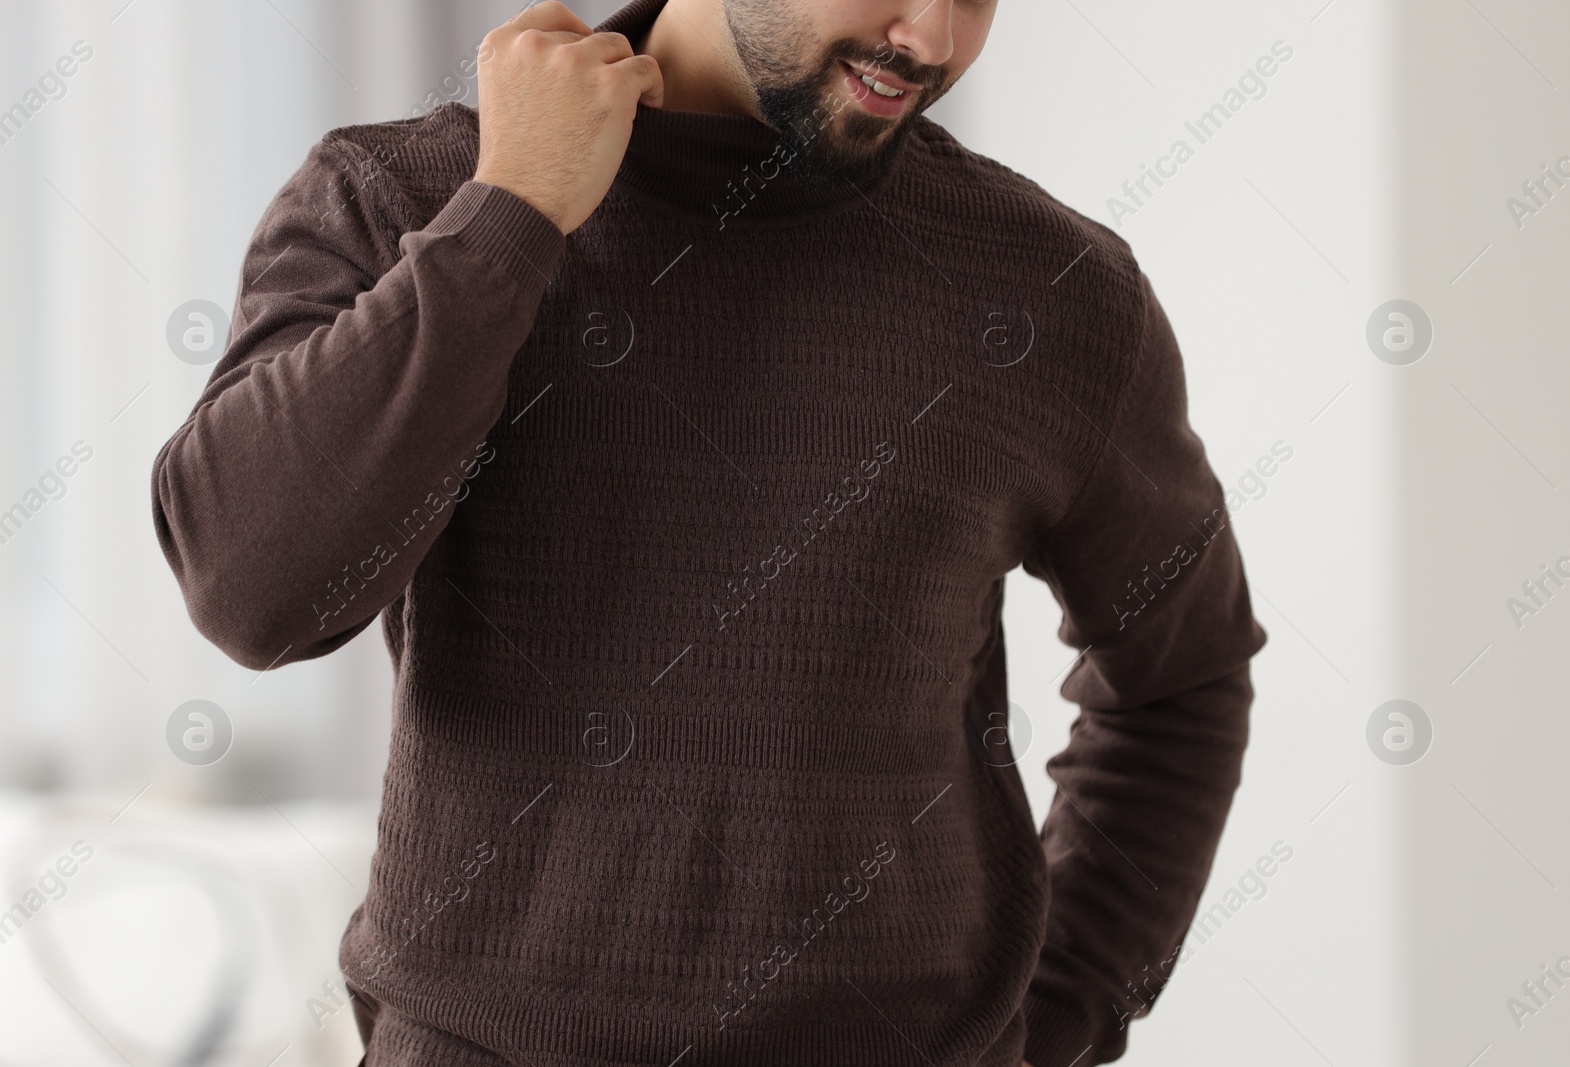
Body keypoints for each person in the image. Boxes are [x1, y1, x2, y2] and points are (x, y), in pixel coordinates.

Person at [150, 0, 1267, 1063]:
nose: (933, 37)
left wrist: (1059, 1014)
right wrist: (514, 212)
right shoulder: (403, 196)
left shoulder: (1052, 288)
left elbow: (1183, 673)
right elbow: (256, 591)